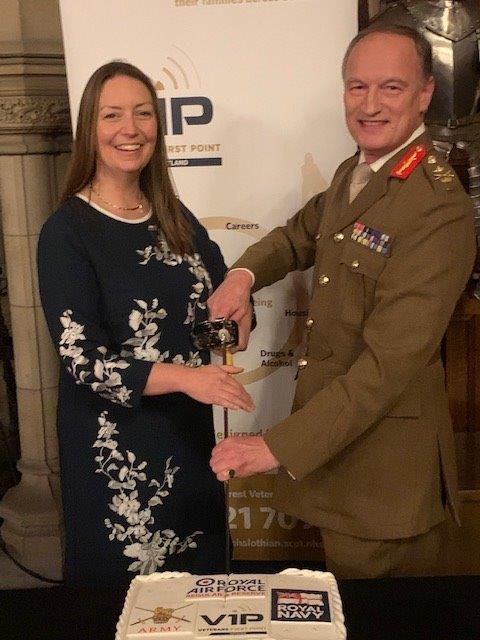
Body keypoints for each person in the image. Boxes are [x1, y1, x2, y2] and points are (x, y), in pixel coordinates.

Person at [208, 25, 476, 578]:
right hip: (343, 464)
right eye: (357, 87)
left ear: (426, 92)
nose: (370, 104)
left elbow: (385, 368)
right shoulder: (357, 172)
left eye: (391, 88)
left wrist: (274, 447)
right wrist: (241, 275)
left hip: (386, 486)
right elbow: (298, 234)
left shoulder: (436, 206)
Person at [37, 61, 254, 586]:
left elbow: (216, 297)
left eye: (142, 114)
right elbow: (83, 361)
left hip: (189, 437)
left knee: (201, 591)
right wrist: (187, 377)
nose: (129, 129)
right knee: (129, 603)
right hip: (115, 452)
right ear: (90, 128)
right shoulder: (66, 232)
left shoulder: (172, 214)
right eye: (112, 115)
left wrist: (238, 306)